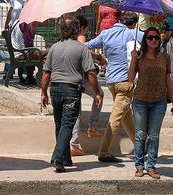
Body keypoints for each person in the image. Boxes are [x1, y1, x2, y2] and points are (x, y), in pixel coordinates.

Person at [41, 13, 102, 172]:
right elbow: (91, 73)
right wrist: (96, 92)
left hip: (55, 89)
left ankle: (65, 159)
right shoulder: (82, 48)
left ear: (61, 30)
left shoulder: (54, 47)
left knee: (60, 124)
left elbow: (46, 73)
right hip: (71, 90)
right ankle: (58, 157)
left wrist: (43, 92)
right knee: (67, 124)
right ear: (76, 30)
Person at [86, 11, 143, 163]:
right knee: (116, 118)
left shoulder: (106, 33)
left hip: (111, 81)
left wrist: (98, 57)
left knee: (125, 115)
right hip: (126, 80)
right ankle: (104, 152)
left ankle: (140, 147)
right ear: (133, 23)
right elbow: (154, 41)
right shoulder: (133, 33)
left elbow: (86, 47)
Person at [128, 27, 173, 179]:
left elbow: (168, 80)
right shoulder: (139, 56)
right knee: (140, 135)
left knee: (154, 135)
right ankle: (139, 166)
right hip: (140, 101)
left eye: (156, 38)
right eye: (150, 37)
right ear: (145, 40)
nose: (154, 40)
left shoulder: (165, 57)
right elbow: (130, 78)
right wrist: (133, 59)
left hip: (159, 101)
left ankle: (151, 166)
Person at [69, 15, 106, 156]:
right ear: (82, 28)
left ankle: (74, 143)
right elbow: (83, 49)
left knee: (76, 111)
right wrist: (98, 56)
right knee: (100, 95)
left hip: (70, 78)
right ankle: (92, 126)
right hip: (82, 78)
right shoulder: (80, 37)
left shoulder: (65, 38)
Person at [4, 0, 36, 84]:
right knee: (14, 49)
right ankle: (10, 71)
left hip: (25, 29)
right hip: (14, 27)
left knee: (26, 49)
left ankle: (27, 74)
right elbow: (11, 10)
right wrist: (6, 24)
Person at [95, 4, 120, 77]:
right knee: (104, 49)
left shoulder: (116, 6)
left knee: (112, 49)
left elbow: (119, 18)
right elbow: (99, 19)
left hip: (114, 29)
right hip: (104, 30)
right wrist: (97, 30)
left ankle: (111, 68)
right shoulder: (101, 6)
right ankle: (103, 68)